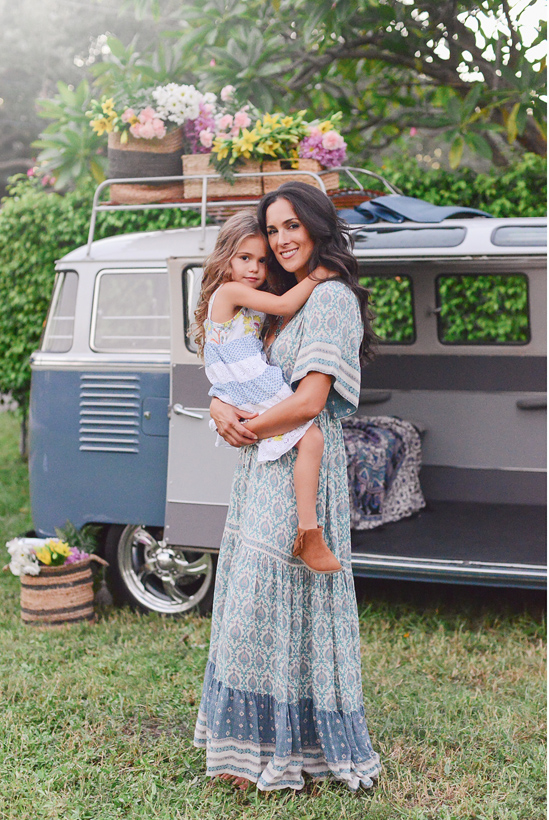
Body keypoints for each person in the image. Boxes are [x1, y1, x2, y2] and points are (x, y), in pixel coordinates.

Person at [193, 182, 382, 793]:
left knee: (272, 603)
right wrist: (220, 404)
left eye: (292, 226)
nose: (281, 240)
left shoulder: (329, 301)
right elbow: (238, 364)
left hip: (298, 456)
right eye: (273, 230)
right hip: (264, 462)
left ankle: (279, 751)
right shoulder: (276, 296)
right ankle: (245, 748)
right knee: (252, 601)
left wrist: (239, 421)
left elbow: (308, 401)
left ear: (318, 227)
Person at [192, 211, 340, 574]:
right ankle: (309, 532)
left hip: (243, 382)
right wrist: (322, 274)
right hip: (251, 378)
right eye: (245, 258)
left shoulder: (248, 296)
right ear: (225, 257)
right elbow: (287, 305)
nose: (255, 268)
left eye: (262, 260)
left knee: (305, 438)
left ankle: (307, 530)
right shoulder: (229, 291)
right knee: (313, 436)